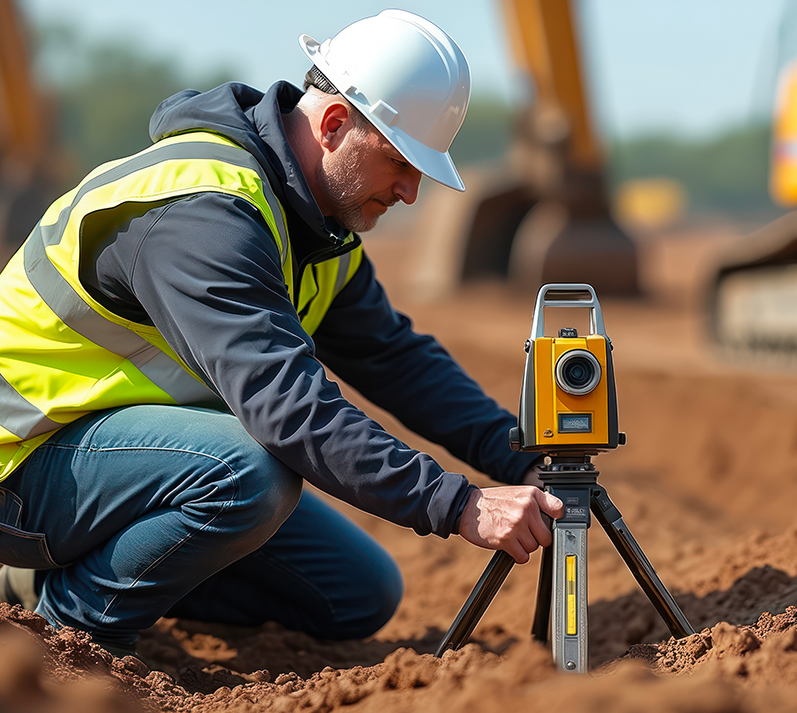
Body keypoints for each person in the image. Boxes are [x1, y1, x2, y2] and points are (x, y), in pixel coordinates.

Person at [0, 10, 562, 657]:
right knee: (249, 470)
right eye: (399, 162)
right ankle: (69, 631)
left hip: (113, 462)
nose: (411, 191)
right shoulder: (203, 212)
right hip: (21, 462)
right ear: (332, 125)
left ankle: (35, 576)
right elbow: (288, 406)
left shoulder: (315, 230)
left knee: (355, 591)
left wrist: (523, 456)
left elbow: (394, 358)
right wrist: (456, 503)